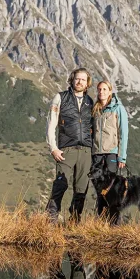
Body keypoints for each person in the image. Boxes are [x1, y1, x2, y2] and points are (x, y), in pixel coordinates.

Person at [45, 68, 95, 222]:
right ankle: (50, 219)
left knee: (81, 189)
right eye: (77, 79)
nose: (79, 82)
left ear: (87, 84)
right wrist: (53, 148)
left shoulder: (90, 102)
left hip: (86, 151)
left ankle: (75, 221)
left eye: (83, 80)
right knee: (60, 185)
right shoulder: (60, 98)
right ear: (72, 80)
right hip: (66, 149)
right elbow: (51, 124)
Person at [90, 80, 129, 220]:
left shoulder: (118, 108)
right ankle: (100, 220)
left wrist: (122, 156)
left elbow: (123, 133)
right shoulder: (95, 109)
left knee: (111, 189)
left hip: (112, 152)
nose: (101, 92)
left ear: (110, 91)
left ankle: (113, 222)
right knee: (99, 190)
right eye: (99, 89)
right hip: (96, 154)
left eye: (105, 89)